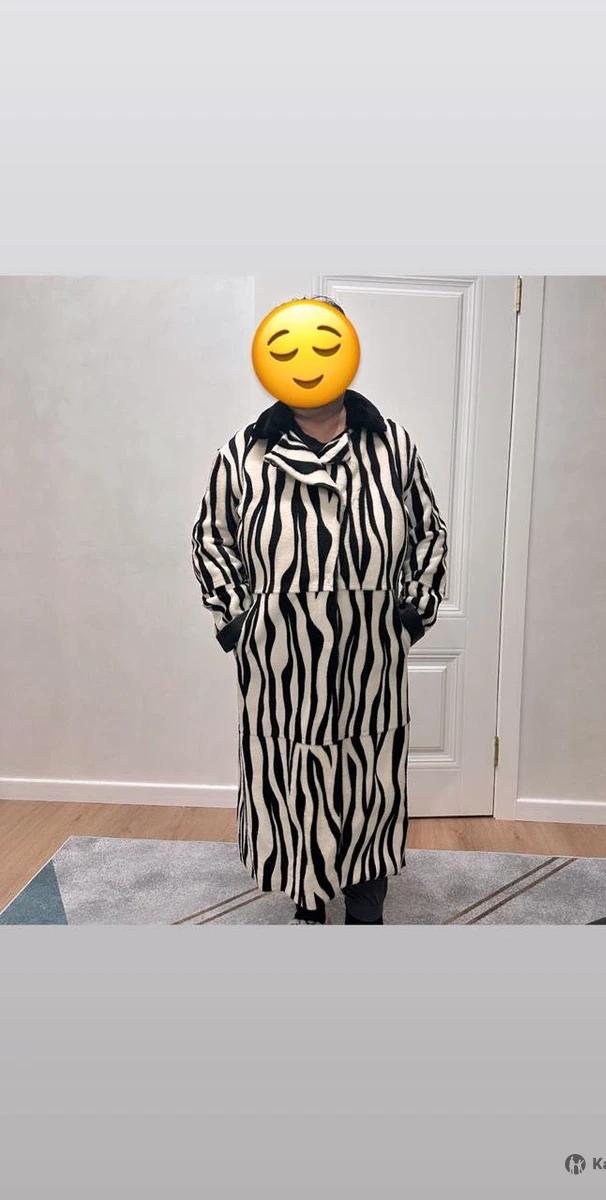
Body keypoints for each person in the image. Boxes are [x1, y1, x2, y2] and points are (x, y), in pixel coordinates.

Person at [191, 296, 448, 924]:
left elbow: (429, 533)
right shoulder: (243, 454)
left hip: (369, 653)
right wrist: (239, 623)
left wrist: (411, 613)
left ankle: (365, 900)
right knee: (291, 773)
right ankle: (306, 896)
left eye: (325, 344)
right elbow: (211, 539)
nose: (307, 362)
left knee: (368, 775)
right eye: (288, 349)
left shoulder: (392, 445)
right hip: (281, 657)